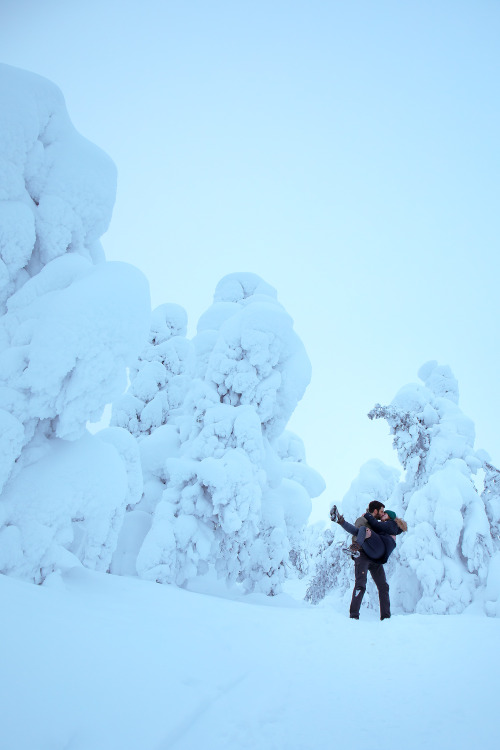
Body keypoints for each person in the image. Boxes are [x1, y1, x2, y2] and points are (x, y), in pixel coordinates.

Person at [329, 502, 407, 620]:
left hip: (376, 554)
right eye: (381, 512)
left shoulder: (390, 524)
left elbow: (377, 526)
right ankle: (354, 616)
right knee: (369, 585)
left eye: (384, 514)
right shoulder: (370, 522)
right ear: (375, 511)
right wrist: (342, 522)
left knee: (382, 586)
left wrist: (368, 517)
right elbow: (357, 530)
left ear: (390, 517)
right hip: (368, 555)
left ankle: (386, 618)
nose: (382, 515)